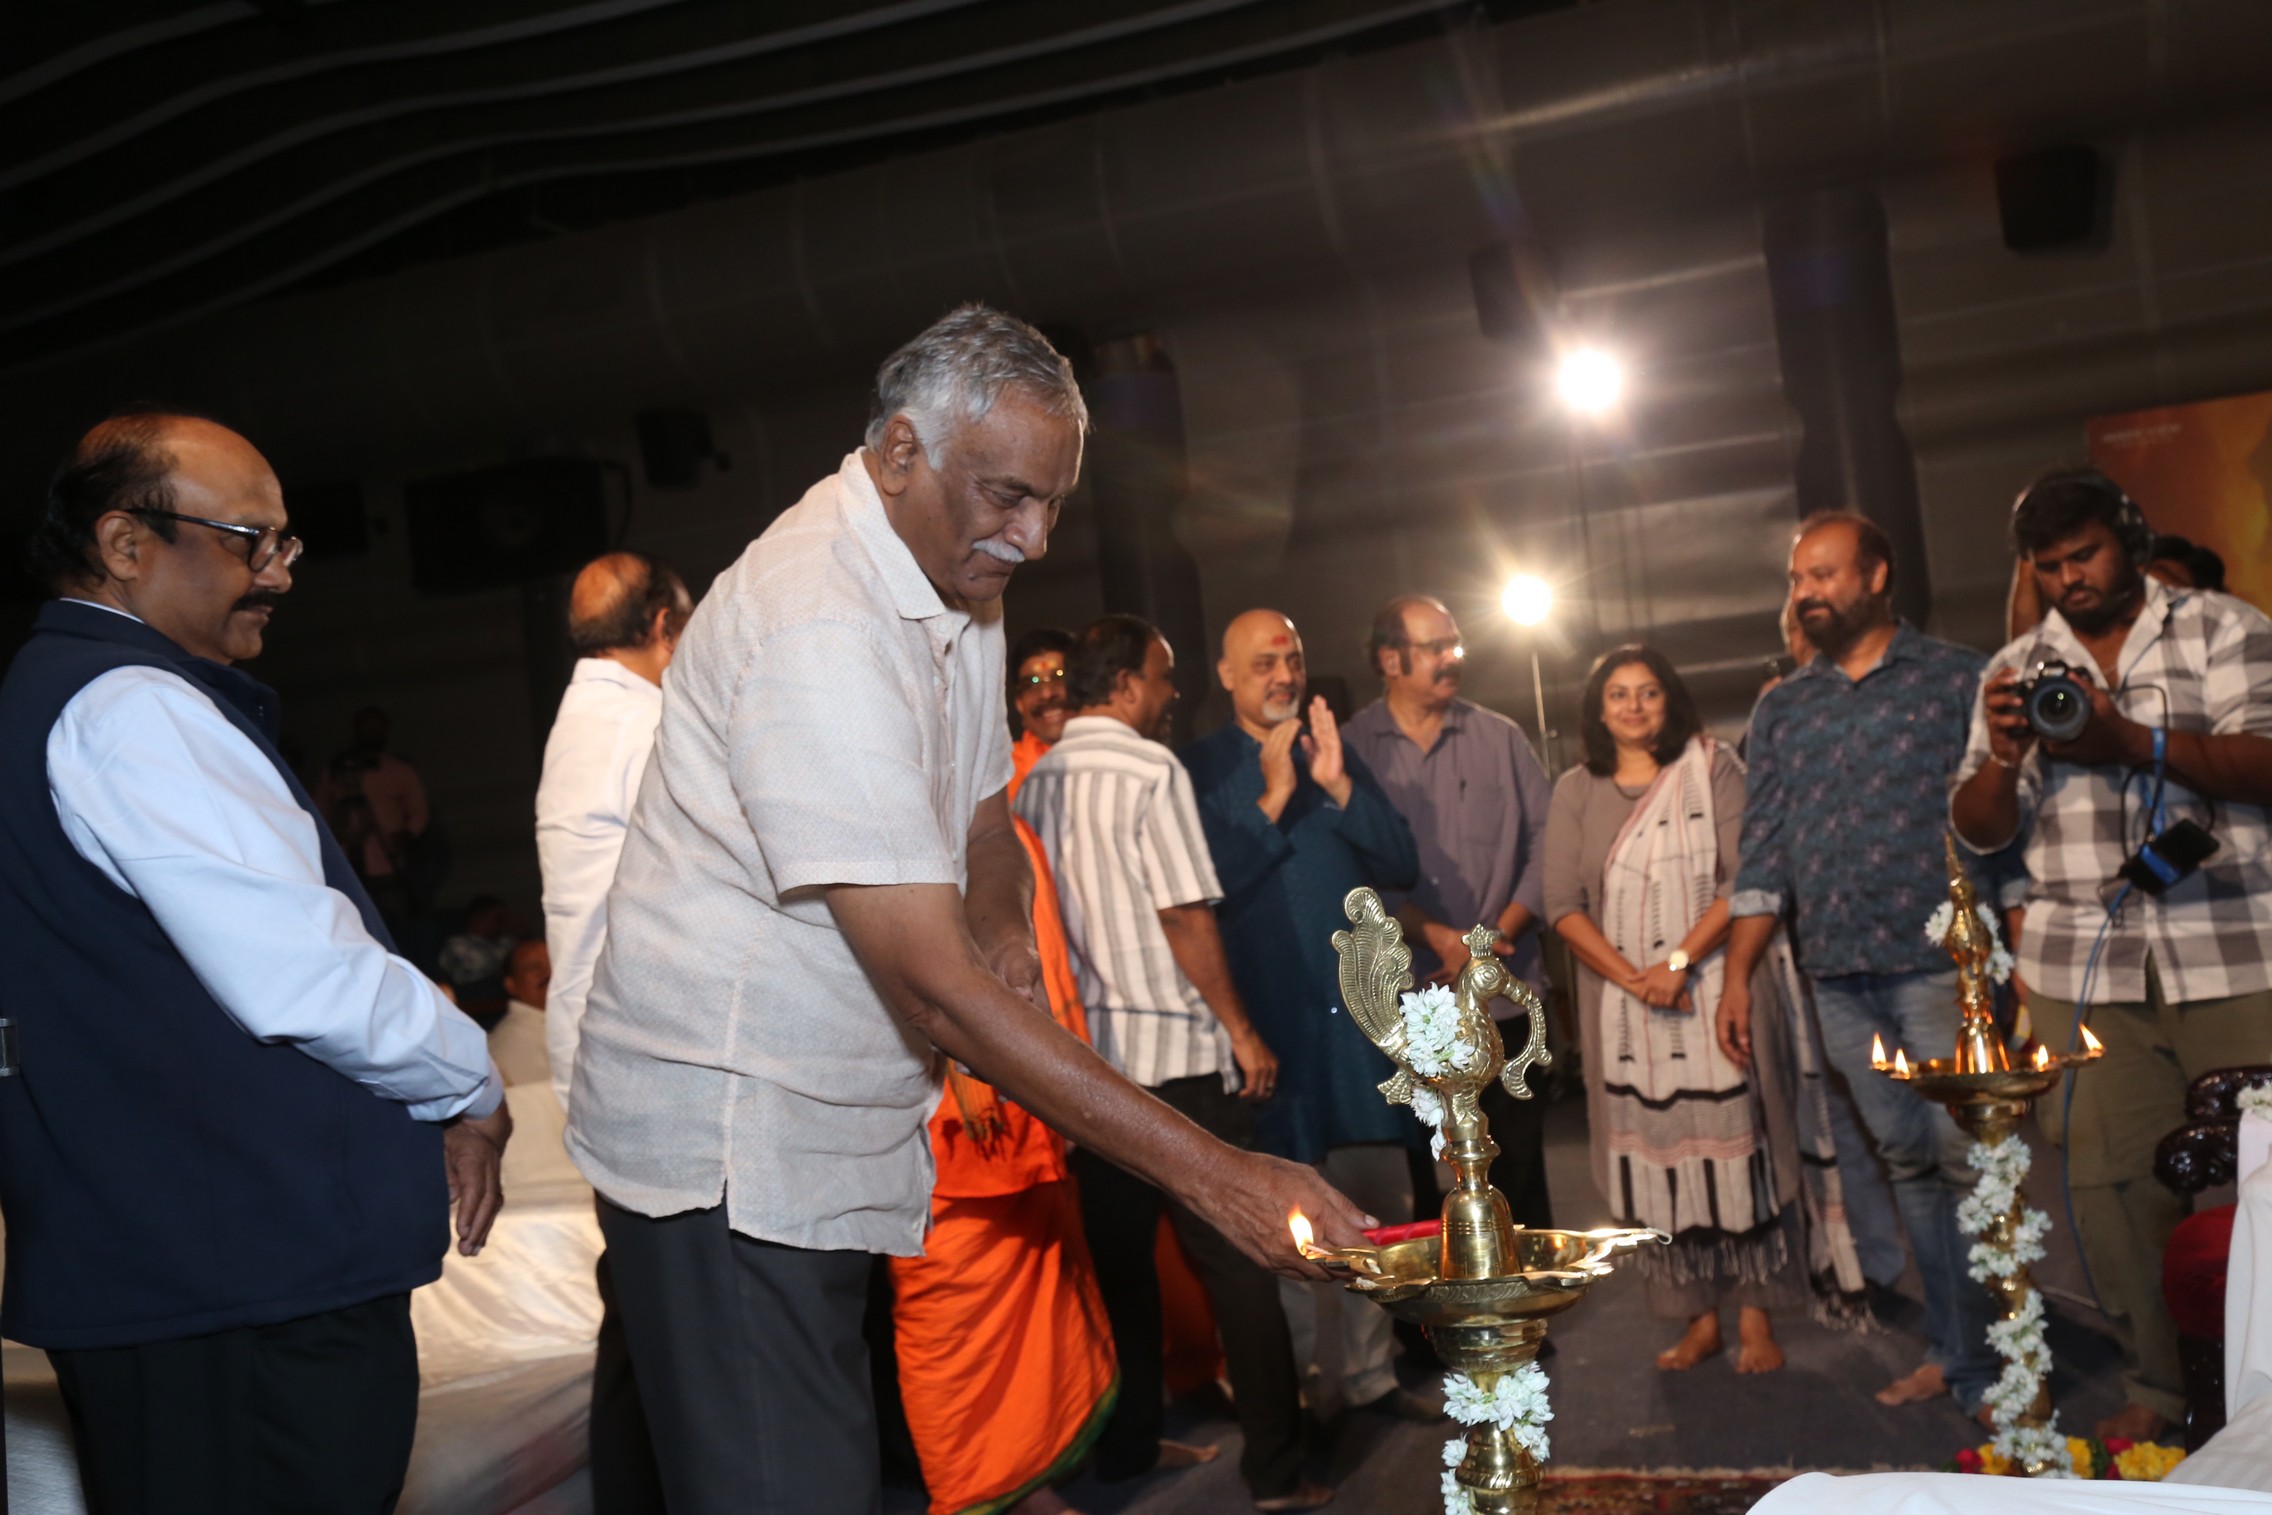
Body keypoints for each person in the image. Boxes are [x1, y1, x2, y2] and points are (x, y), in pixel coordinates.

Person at [564, 307, 1365, 1515]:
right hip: (730, 1141)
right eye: (1008, 497)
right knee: (790, 1489)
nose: (1032, 539)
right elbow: (933, 987)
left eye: (1053, 505)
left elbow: (984, 813)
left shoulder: (954, 574)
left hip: (827, 1122)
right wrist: (1218, 1178)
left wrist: (1000, 925)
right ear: (900, 451)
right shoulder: (818, 618)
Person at [0, 411, 508, 1513]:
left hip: (187, 1272)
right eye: (248, 541)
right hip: (237, 1286)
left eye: (286, 544)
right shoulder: (131, 705)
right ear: (125, 543)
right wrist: (469, 1078)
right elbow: (304, 975)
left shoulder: (66, 691)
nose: (278, 574)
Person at [1949, 467, 2272, 1443]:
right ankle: (2161, 1389)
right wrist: (2006, 755)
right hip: (2079, 962)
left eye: (2083, 554)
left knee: (2267, 1171)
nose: (2069, 579)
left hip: (2234, 946)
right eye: (2048, 566)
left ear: (2128, 537)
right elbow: (1978, 827)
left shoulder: (2222, 627)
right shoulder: (2015, 667)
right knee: (2112, 1184)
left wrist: (2131, 739)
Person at [1017, 614, 1332, 1513]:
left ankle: (1126, 1447)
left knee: (1121, 1268)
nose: (1172, 692)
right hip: (1179, 1053)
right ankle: (1276, 1471)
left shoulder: (1032, 785)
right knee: (1238, 1258)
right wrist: (1241, 1027)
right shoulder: (1149, 767)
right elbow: (1185, 913)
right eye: (1162, 675)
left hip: (1086, 1067)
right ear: (1123, 685)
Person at [1715, 511, 2004, 1414]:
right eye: (1798, 578)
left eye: (1825, 574)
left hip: (1941, 968)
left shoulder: (1958, 677)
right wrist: (1735, 975)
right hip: (1836, 975)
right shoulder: (1783, 707)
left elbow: (2001, 826)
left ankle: (2002, 1360)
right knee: (1909, 1163)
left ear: (1877, 575)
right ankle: (1956, 1352)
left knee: (1973, 1164)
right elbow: (1763, 851)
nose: (1807, 592)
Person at [1544, 646, 1865, 1375]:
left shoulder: (1712, 768)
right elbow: (1562, 904)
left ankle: (1756, 1316)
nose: (1633, 707)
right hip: (1623, 1012)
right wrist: (1637, 980)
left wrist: (1678, 963)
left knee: (1742, 1155)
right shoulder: (1576, 789)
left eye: (1649, 692)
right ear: (1598, 710)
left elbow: (1744, 877)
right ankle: (1698, 1319)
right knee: (1655, 1166)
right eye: (1618, 694)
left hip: (1715, 987)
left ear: (1671, 701)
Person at [887, 620, 1117, 1515]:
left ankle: (1034, 1477)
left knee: (1048, 1277)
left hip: (1021, 1093)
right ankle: (983, 1487)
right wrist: (967, 1065)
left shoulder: (994, 812)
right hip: (942, 1112)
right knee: (948, 1305)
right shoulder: (887, 810)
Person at [1179, 608, 1429, 1421]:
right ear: (1226, 675)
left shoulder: (1333, 749)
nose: (1284, 675)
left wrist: (1337, 784)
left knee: (1375, 1210)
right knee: (1281, 1221)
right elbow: (1200, 891)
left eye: (1291, 658)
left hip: (1356, 1032)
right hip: (1270, 1029)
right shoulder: (1198, 768)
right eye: (1264, 663)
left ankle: (1370, 1376)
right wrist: (1274, 796)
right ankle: (1294, 1392)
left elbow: (1401, 860)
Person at [535, 547, 690, 1515]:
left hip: (603, 1050)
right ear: (665, 627)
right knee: (665, 1326)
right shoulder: (645, 724)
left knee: (641, 1319)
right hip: (647, 1059)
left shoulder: (582, 718)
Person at [1343, 594, 1556, 1228]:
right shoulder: (1351, 749)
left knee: (1517, 1175)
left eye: (1455, 643)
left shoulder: (1501, 737)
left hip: (1501, 994)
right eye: (1436, 647)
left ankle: (1524, 1294)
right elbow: (1345, 864)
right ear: (1391, 660)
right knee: (1416, 1186)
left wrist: (1489, 940)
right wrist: (1433, 933)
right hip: (1403, 1001)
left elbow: (1548, 847)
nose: (1453, 656)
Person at [315, 704, 430, 927]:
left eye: (377, 728)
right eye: (367, 727)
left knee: (395, 922)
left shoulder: (399, 770)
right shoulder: (335, 770)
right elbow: (319, 809)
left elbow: (420, 811)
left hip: (387, 863)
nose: (371, 733)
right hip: (346, 863)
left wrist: (407, 835)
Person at [491, 939, 553, 1089]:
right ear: (511, 985)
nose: (549, 972)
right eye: (534, 967)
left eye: (553, 963)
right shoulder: (515, 1037)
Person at [1011, 626, 1075, 769]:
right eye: (1031, 684)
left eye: (1059, 677)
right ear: (1019, 703)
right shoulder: (1002, 772)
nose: (1047, 694)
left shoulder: (1116, 757)